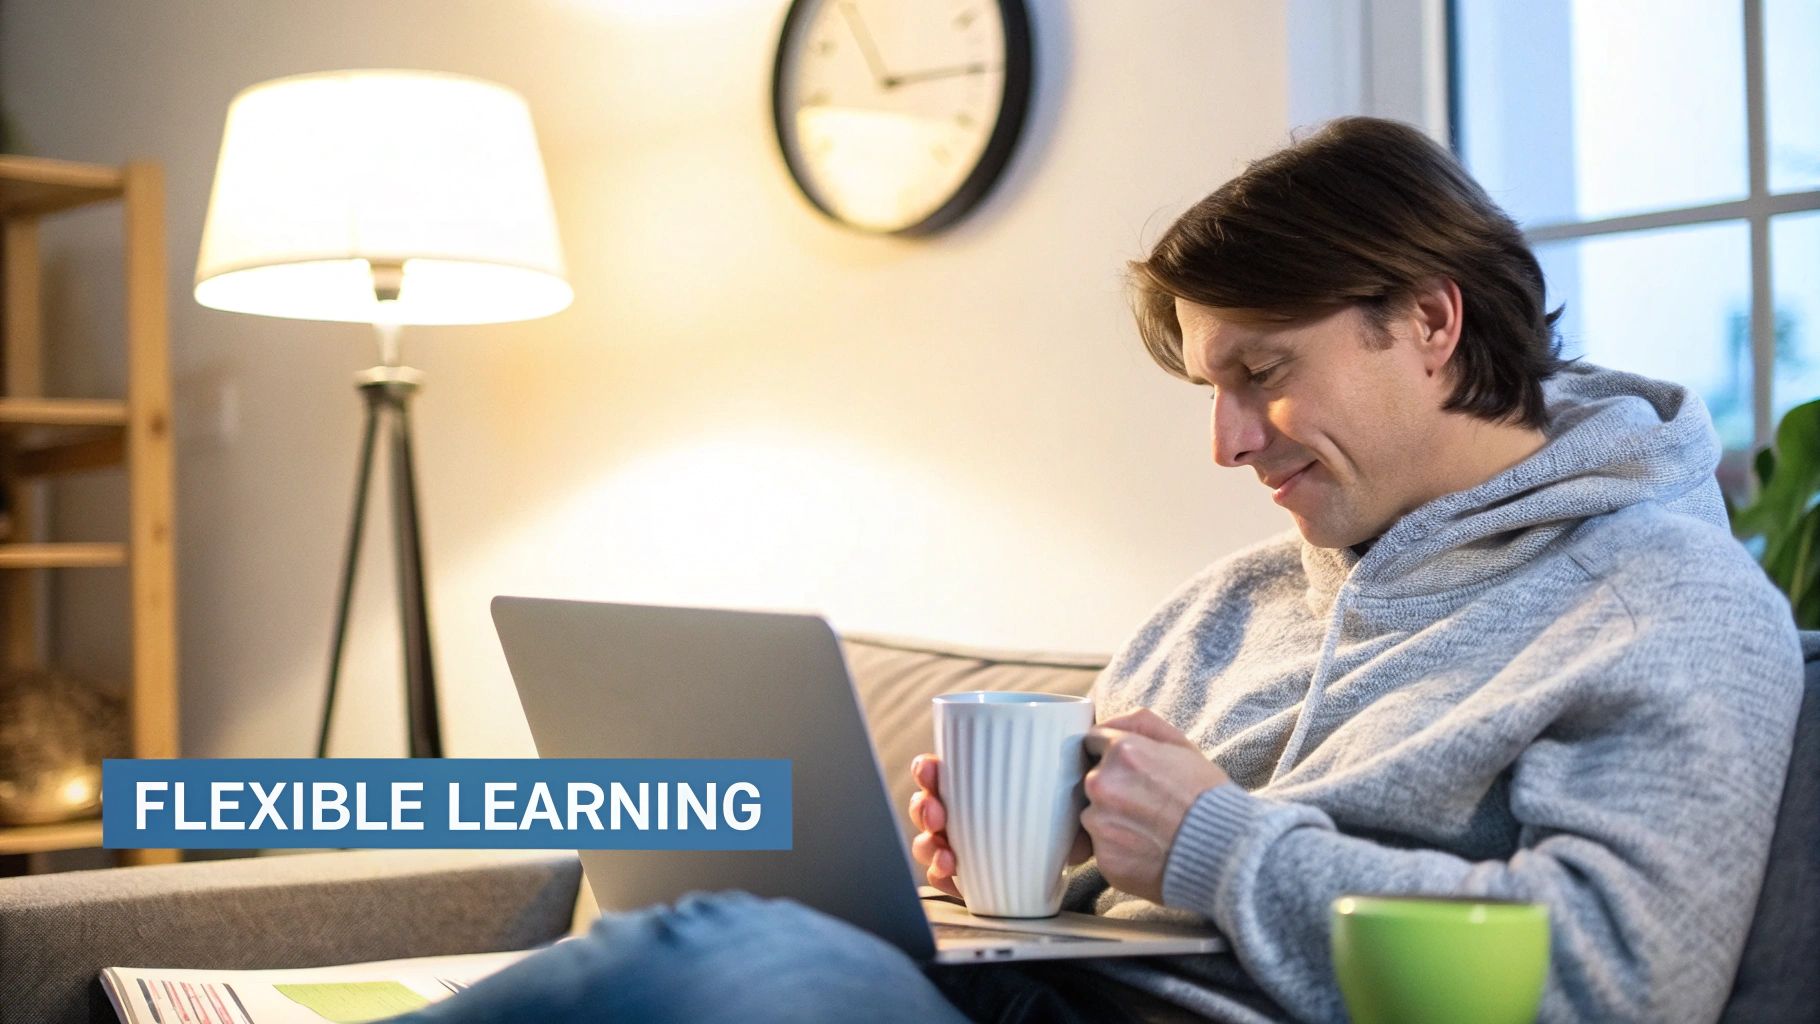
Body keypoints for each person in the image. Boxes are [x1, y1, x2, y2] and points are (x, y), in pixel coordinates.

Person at [387, 116, 1803, 1024]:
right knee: (723, 948)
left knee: (735, 966)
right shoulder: (1224, 611)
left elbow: (1624, 978)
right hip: (1010, 1007)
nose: (1227, 442)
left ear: (1427, 323)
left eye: (1264, 374)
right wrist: (1040, 866)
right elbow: (1128, 898)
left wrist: (1211, 843)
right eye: (1210, 383)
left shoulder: (1662, 604)